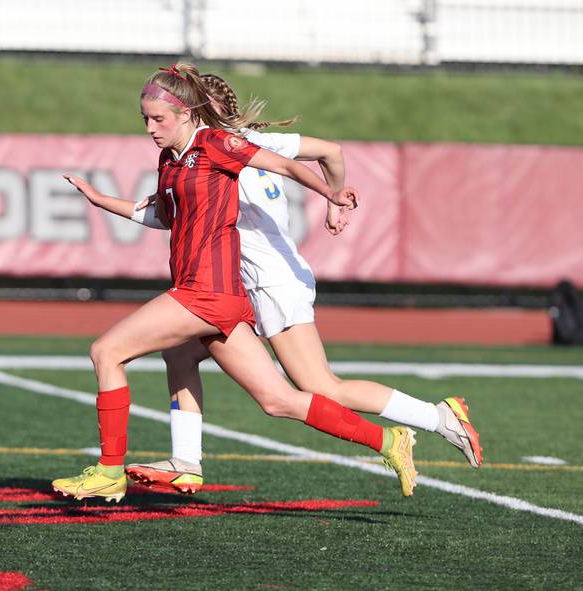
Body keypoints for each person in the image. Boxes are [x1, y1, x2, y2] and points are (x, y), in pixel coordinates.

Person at [51, 63, 417, 504]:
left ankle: (109, 471)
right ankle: (389, 442)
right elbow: (164, 217)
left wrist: (331, 194)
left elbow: (285, 165)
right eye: (145, 119)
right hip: (219, 297)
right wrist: (99, 199)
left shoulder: (215, 143)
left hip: (205, 292)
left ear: (187, 113)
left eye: (158, 119)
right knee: (276, 399)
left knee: (106, 351)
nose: (150, 128)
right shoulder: (170, 159)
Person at [117, 73, 483, 494]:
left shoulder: (221, 148)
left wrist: (332, 199)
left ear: (200, 110)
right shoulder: (230, 144)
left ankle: (438, 418)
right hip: (239, 285)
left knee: (320, 387)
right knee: (179, 355)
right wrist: (333, 199)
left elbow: (322, 156)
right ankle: (185, 462)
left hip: (272, 281)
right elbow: (332, 151)